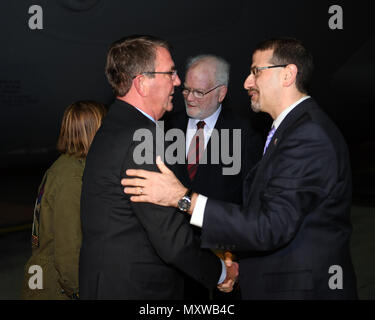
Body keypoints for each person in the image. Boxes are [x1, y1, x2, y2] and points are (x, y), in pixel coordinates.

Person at [122, 38, 358, 299]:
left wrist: (184, 199)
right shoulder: (292, 130)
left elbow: (271, 226)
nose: (247, 82)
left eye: (256, 71)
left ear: (288, 75)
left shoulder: (308, 135)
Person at [79, 35, 238, 300]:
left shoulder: (112, 126)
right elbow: (172, 243)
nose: (177, 81)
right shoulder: (144, 139)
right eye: (170, 73)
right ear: (142, 83)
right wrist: (222, 272)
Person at [165, 54, 262, 299]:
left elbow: (251, 201)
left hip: (224, 261)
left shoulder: (245, 134)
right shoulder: (165, 127)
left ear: (221, 93)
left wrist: (234, 253)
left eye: (199, 92)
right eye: (186, 90)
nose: (188, 98)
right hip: (173, 264)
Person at [21, 100, 106, 300]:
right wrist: (79, 291)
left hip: (47, 279)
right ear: (92, 133)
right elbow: (68, 247)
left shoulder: (65, 167)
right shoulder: (71, 178)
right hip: (56, 288)